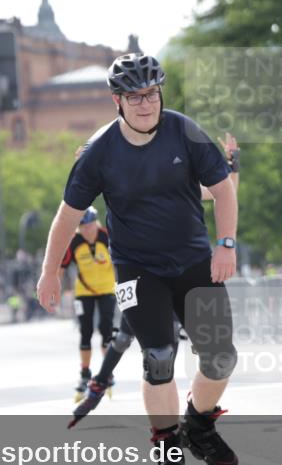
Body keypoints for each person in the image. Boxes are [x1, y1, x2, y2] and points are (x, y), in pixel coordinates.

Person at [38, 52, 240, 465]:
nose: (146, 103)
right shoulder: (99, 152)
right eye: (135, 96)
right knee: (159, 355)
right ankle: (169, 446)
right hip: (137, 269)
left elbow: (223, 187)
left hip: (193, 262)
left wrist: (226, 244)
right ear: (118, 101)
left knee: (221, 357)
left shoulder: (184, 131)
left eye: (151, 93)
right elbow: (67, 216)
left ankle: (200, 424)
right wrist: (50, 270)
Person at [69, 132, 241, 427]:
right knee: (141, 347)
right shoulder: (117, 182)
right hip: (140, 276)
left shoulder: (176, 184)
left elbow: (221, 192)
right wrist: (89, 158)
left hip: (184, 271)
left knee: (211, 353)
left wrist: (233, 165)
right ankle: (97, 384)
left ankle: (195, 419)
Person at [60, 206, 117, 402]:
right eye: (82, 227)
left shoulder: (106, 237)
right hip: (84, 292)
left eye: (90, 225)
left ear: (96, 223)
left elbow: (123, 258)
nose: (87, 230)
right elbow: (61, 267)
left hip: (107, 290)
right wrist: (54, 289)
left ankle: (107, 372)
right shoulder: (74, 242)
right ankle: (85, 373)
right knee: (85, 331)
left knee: (106, 330)